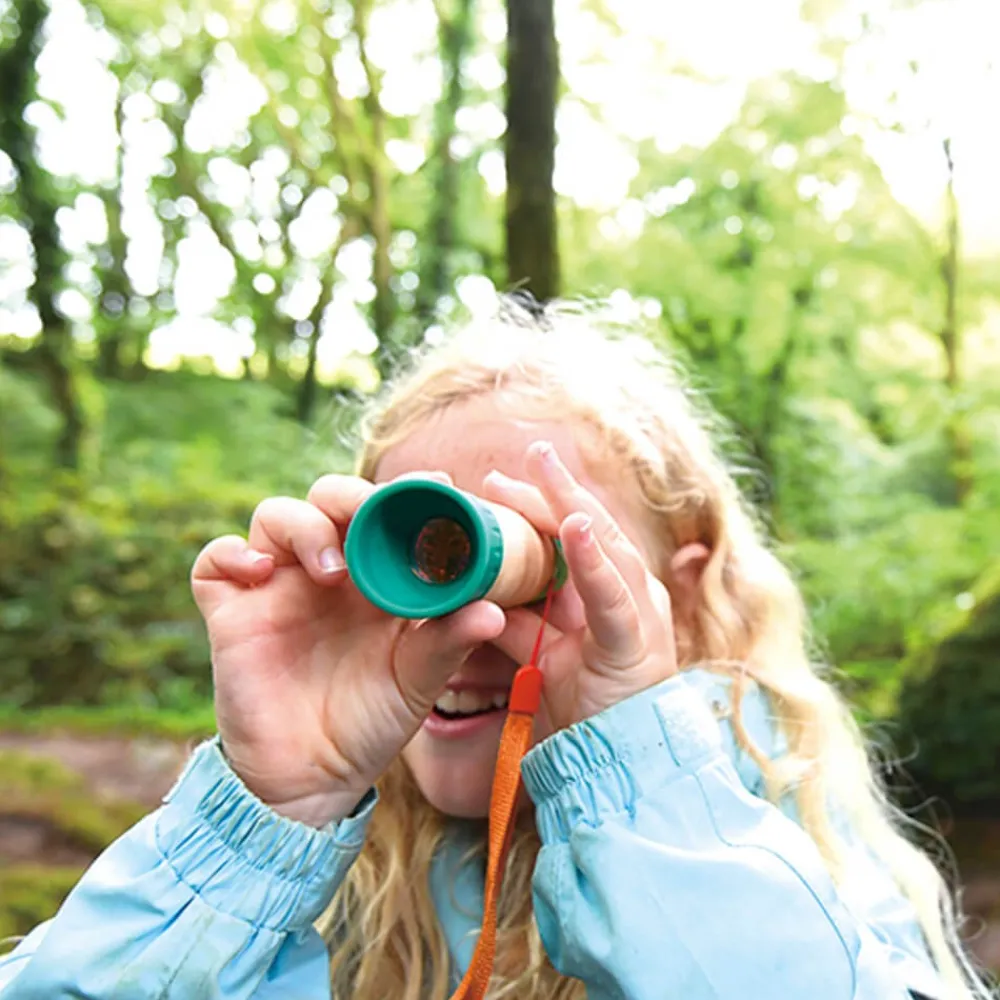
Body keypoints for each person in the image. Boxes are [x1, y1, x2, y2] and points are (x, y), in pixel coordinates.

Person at [0, 299, 988, 1000]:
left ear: (681, 596)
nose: (464, 633)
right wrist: (268, 817)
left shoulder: (770, 805)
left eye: (548, 571)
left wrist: (637, 775)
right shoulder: (334, 860)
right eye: (428, 562)